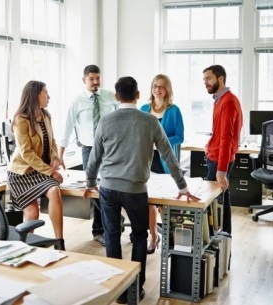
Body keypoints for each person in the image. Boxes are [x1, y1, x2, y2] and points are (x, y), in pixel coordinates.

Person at [83, 76, 200, 304]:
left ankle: (117, 290)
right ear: (138, 95)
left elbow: (94, 158)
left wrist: (89, 183)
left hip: (108, 187)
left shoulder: (105, 121)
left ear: (116, 97)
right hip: (135, 189)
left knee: (112, 235)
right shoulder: (149, 121)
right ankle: (135, 288)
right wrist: (182, 186)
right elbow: (168, 153)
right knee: (139, 236)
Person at [58, 64, 120, 246]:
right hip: (89, 150)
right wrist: (60, 154)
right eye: (91, 79)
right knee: (94, 190)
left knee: (110, 187)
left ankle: (111, 223)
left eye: (98, 78)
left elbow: (122, 116)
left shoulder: (110, 96)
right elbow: (68, 127)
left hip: (110, 148)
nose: (95, 82)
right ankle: (100, 230)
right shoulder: (77, 101)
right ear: (84, 80)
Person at [7, 80, 65, 250]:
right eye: (45, 93)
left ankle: (59, 242)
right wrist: (51, 172)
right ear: (35, 95)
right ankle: (27, 249)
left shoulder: (46, 115)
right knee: (32, 213)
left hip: (40, 170)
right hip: (22, 173)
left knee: (54, 191)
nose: (49, 96)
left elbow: (52, 141)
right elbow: (26, 153)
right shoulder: (21, 119)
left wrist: (54, 157)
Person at [140, 74, 184, 254]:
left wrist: (159, 141)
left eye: (161, 86)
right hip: (146, 160)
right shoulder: (143, 108)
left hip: (164, 161)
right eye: (154, 86)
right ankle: (153, 236)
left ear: (167, 89)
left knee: (163, 202)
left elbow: (180, 136)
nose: (157, 89)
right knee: (149, 201)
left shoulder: (174, 110)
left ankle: (170, 237)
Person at [203, 65, 243, 235]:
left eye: (208, 78)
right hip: (216, 156)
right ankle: (224, 238)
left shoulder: (227, 102)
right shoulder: (220, 100)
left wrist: (221, 171)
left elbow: (226, 137)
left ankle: (220, 237)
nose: (205, 83)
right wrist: (210, 143)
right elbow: (220, 133)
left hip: (219, 160)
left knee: (214, 203)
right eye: (204, 79)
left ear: (220, 79)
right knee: (222, 199)